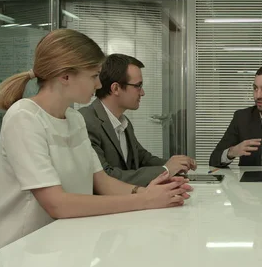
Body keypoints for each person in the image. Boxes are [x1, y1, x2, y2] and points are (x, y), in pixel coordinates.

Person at [0, 29, 192, 252]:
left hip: (66, 242)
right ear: (65, 76)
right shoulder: (24, 118)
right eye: (94, 76)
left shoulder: (74, 118)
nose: (98, 85)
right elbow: (57, 203)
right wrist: (144, 200)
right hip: (23, 250)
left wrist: (152, 193)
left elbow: (102, 182)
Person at [78, 54, 196, 186]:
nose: (142, 92)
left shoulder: (124, 122)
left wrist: (175, 163)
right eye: (138, 86)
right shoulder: (85, 122)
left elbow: (142, 158)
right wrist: (166, 170)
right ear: (115, 88)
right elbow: (106, 177)